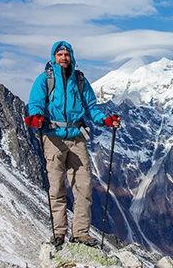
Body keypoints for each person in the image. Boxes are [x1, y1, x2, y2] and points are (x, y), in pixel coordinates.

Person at [25, 41, 120, 247]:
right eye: (60, 54)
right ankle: (59, 233)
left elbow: (91, 107)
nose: (63, 57)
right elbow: (36, 104)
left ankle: (80, 234)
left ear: (72, 57)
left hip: (76, 136)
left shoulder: (80, 81)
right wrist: (35, 117)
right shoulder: (45, 80)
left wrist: (105, 120)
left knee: (83, 187)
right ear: (53, 57)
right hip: (53, 136)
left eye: (66, 54)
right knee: (57, 187)